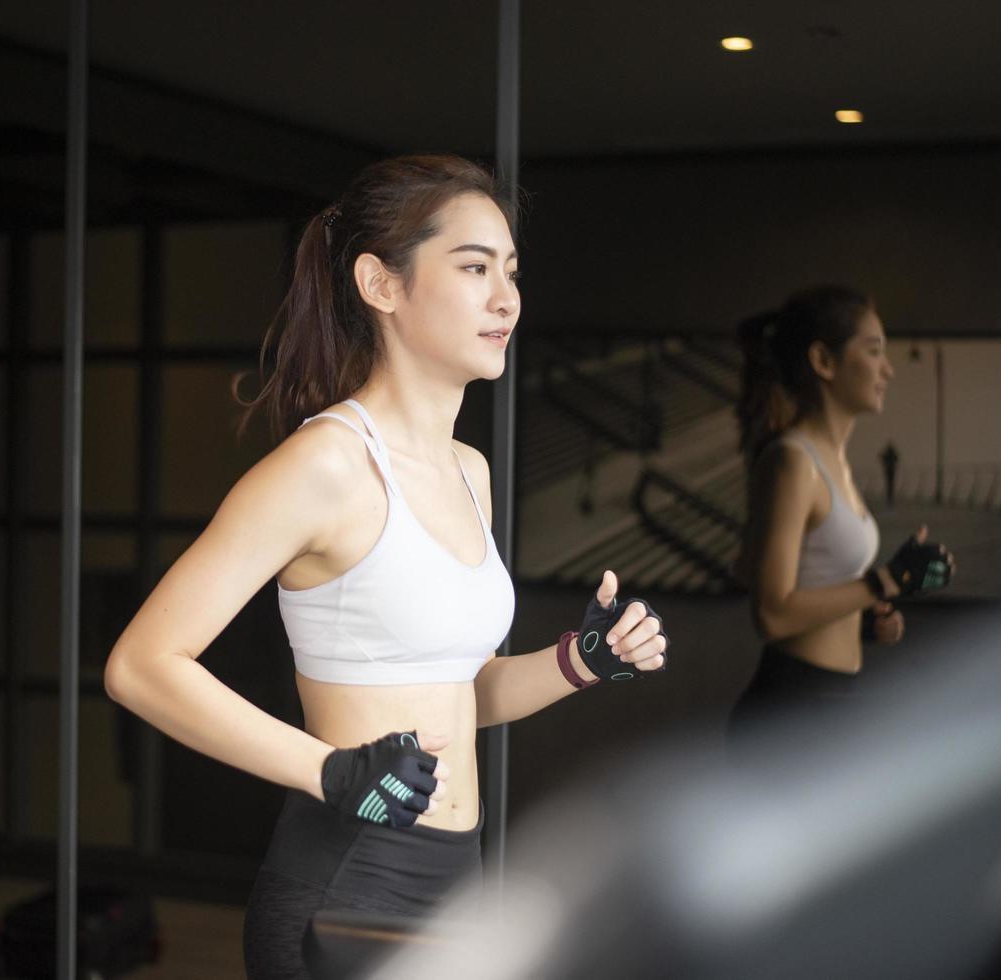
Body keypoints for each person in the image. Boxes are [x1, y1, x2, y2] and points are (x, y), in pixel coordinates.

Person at [102, 155, 669, 980]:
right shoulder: (326, 467)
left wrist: (579, 661)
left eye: (511, 272)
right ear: (381, 284)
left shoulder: (467, 470)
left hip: (455, 882)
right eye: (474, 268)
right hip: (347, 884)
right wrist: (328, 770)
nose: (506, 299)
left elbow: (457, 694)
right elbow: (141, 666)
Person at [729, 286, 954, 734]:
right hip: (790, 711)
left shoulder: (835, 463)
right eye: (873, 352)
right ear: (824, 361)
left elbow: (813, 588)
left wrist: (863, 624)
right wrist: (884, 582)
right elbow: (772, 615)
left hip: (828, 700)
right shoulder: (794, 461)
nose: (887, 369)